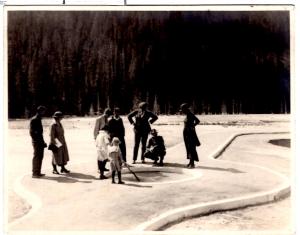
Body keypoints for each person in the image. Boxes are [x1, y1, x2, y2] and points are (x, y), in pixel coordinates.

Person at [180, 103, 201, 168]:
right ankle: (190, 162)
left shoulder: (190, 114)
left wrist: (192, 126)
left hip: (190, 134)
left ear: (185, 109)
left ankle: (192, 164)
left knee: (191, 148)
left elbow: (198, 121)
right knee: (189, 148)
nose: (182, 111)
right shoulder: (187, 115)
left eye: (182, 109)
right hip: (187, 133)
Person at [29, 106, 47, 178]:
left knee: (40, 156)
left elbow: (40, 133)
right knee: (37, 156)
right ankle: (35, 173)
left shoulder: (38, 119)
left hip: (40, 141)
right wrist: (37, 141)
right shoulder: (34, 119)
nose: (44, 113)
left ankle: (38, 172)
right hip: (37, 142)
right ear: (40, 111)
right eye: (43, 111)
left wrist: (43, 142)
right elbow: (32, 132)